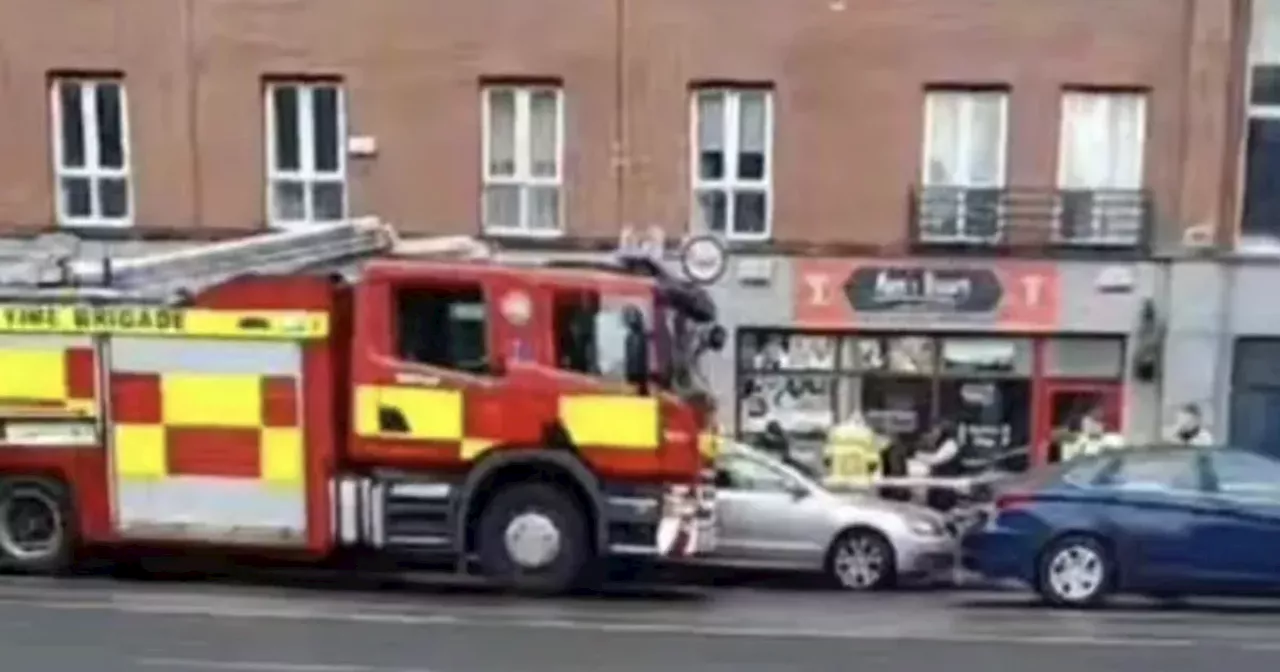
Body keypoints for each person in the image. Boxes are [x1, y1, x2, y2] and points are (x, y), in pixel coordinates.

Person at [1059, 407, 1124, 460]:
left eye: (1101, 414)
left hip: (1093, 446)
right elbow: (1088, 433)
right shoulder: (1085, 421)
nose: (1100, 416)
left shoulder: (1100, 424)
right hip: (1082, 445)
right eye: (1098, 413)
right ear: (1092, 413)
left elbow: (1099, 433)